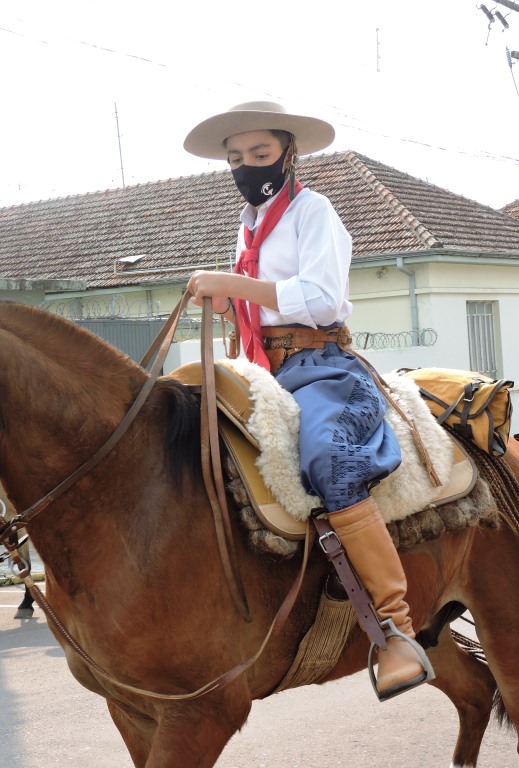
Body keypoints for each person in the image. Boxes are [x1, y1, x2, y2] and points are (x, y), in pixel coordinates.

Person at [183, 101, 430, 700]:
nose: (247, 166)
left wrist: (232, 285)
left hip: (319, 364)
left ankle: (397, 627)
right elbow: (259, 300)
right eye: (236, 158)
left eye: (259, 155)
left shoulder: (314, 212)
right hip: (259, 365)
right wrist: (229, 302)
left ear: (289, 154)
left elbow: (320, 299)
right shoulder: (245, 225)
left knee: (328, 457)